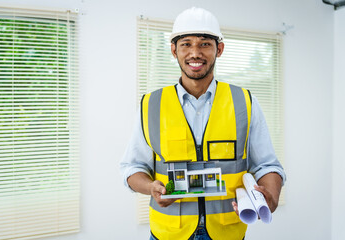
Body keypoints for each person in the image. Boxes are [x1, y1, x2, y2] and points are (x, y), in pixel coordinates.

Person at [120, 7, 286, 240]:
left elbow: (267, 165)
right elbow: (132, 168)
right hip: (168, 234)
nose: (195, 53)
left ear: (219, 49)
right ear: (173, 50)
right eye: (186, 44)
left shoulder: (245, 102)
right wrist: (151, 188)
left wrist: (271, 195)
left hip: (226, 232)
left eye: (205, 44)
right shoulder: (151, 104)